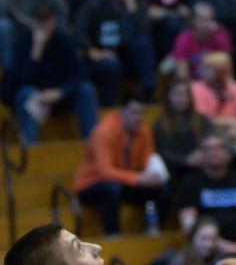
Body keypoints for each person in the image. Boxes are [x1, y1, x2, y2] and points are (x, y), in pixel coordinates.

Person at [0, 3, 99, 145]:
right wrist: (36, 52)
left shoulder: (64, 40)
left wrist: (61, 91)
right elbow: (17, 80)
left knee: (86, 89)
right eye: (39, 22)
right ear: (31, 22)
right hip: (35, 95)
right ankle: (30, 146)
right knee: (25, 93)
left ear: (54, 21)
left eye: (47, 21)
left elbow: (80, 72)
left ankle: (93, 143)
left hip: (60, 94)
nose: (43, 27)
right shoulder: (22, 42)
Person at [73, 98, 170, 235]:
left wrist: (154, 175)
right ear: (122, 112)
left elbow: (147, 160)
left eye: (142, 113)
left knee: (162, 188)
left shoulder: (144, 132)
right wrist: (138, 178)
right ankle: (113, 235)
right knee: (112, 189)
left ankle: (152, 230)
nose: (139, 118)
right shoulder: (104, 131)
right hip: (91, 184)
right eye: (134, 113)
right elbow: (105, 171)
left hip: (123, 182)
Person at [175, 135, 236, 256]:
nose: (214, 153)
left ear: (227, 153)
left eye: (218, 148)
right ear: (201, 153)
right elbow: (190, 225)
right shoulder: (190, 182)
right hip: (208, 247)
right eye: (208, 149)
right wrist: (224, 246)